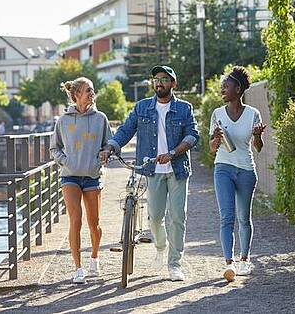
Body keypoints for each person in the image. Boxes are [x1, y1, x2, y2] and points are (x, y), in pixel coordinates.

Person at [100, 65, 199, 281]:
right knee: (154, 217)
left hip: (177, 170)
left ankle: (174, 264)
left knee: (177, 217)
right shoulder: (142, 107)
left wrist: (173, 153)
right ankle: (161, 247)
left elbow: (193, 135)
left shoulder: (184, 109)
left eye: (164, 79)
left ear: (173, 83)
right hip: (152, 169)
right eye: (156, 79)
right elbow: (125, 130)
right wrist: (110, 147)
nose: (159, 83)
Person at [50, 77, 112, 284]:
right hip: (70, 176)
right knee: (75, 220)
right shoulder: (63, 120)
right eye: (88, 90)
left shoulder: (101, 118)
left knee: (94, 224)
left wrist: (103, 156)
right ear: (76, 94)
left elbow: (108, 144)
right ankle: (78, 268)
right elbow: (54, 148)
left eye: (93, 90)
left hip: (93, 176)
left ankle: (94, 257)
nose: (92, 94)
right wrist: (65, 161)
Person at [209, 66, 266, 282]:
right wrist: (215, 138)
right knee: (227, 217)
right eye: (222, 85)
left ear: (238, 88)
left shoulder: (253, 114)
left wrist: (258, 135)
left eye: (226, 85)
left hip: (246, 171)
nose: (222, 88)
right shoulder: (217, 114)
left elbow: (258, 147)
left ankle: (244, 259)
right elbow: (212, 148)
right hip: (223, 167)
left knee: (244, 218)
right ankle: (228, 263)